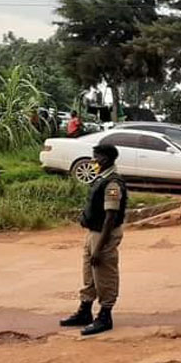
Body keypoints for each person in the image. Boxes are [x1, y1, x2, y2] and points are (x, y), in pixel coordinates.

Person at [59, 144, 128, 336]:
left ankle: (105, 315)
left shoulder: (113, 184)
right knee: (89, 274)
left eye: (97, 157)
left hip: (103, 234)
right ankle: (85, 311)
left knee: (104, 275)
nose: (94, 160)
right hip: (93, 232)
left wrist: (99, 247)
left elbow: (111, 217)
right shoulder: (102, 178)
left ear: (108, 158)